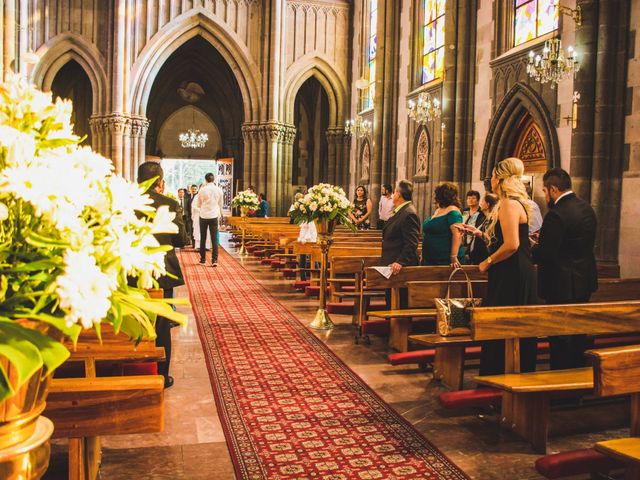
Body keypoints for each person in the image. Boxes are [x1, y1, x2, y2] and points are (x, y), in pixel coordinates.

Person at [477, 157, 538, 376]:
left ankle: (500, 376)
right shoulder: (514, 202)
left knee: (502, 324)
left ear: (500, 179)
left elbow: (512, 244)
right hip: (515, 269)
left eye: (493, 175)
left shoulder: (509, 204)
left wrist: (488, 261)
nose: (491, 179)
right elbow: (505, 239)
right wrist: (480, 234)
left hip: (511, 272)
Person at [532, 168, 597, 370]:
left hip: (560, 286)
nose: (544, 196)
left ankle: (561, 388)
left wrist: (534, 245)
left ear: (553, 189)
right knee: (578, 334)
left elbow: (546, 254)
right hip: (583, 282)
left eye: (544, 190)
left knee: (560, 339)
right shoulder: (587, 208)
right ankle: (577, 380)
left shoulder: (556, 214)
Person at [137, 161, 187, 389]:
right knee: (162, 323)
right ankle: (162, 374)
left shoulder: (125, 204)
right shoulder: (169, 203)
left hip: (132, 268)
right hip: (162, 269)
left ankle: (132, 366)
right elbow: (180, 240)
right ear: (160, 182)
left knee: (134, 316)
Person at [381, 180, 421, 308]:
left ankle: (398, 327)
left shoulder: (408, 214)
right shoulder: (401, 211)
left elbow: (412, 242)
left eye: (394, 192)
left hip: (399, 267)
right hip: (392, 264)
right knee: (391, 301)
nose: (393, 195)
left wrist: (400, 262)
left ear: (398, 194)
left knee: (399, 303)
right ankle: (391, 325)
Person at [421, 182, 465, 267]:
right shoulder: (438, 210)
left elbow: (457, 235)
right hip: (430, 259)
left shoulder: (453, 211)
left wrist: (453, 257)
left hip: (444, 261)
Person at [459, 193, 498, 265]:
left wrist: (477, 232)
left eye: (483, 201)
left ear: (488, 204)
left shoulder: (492, 220)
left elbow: (491, 240)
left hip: (483, 258)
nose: (481, 204)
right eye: (469, 198)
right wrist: (472, 231)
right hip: (474, 255)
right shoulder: (485, 219)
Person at [197, 173, 224, 266]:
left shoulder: (202, 190)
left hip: (203, 215)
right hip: (214, 215)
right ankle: (214, 260)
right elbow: (220, 204)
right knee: (214, 238)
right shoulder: (219, 190)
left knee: (203, 238)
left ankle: (203, 259)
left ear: (205, 180)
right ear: (214, 179)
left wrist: (205, 206)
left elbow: (198, 204)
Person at [462, 190, 482, 255]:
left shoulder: (482, 212)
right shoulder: (464, 211)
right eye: (468, 198)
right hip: (462, 242)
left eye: (473, 198)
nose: (470, 200)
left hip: (475, 242)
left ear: (478, 200)